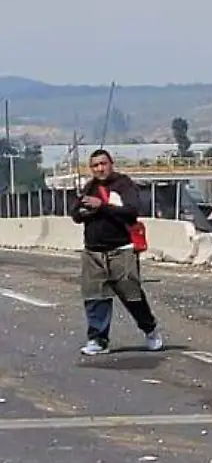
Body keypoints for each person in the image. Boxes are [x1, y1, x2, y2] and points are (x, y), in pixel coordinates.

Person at [70, 148, 162, 356]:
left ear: (111, 164)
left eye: (103, 164)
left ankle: (149, 328)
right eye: (95, 165)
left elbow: (132, 211)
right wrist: (83, 211)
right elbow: (75, 214)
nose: (100, 168)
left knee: (131, 294)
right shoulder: (89, 187)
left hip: (121, 250)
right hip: (93, 251)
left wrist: (102, 206)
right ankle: (98, 339)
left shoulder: (124, 184)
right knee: (95, 297)